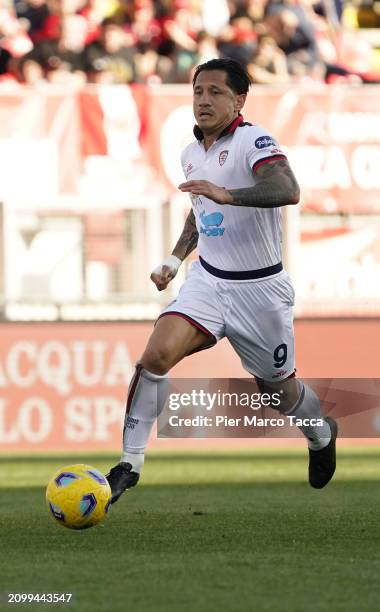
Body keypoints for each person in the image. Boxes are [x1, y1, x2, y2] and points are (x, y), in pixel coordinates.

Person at [107, 57, 337, 503]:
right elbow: (200, 213)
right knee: (156, 354)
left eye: (215, 92)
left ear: (239, 100)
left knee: (278, 393)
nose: (204, 100)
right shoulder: (190, 153)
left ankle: (320, 432)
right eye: (198, 92)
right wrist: (174, 260)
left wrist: (227, 193)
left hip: (261, 290)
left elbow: (288, 190)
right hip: (208, 281)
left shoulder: (255, 140)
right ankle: (129, 464)